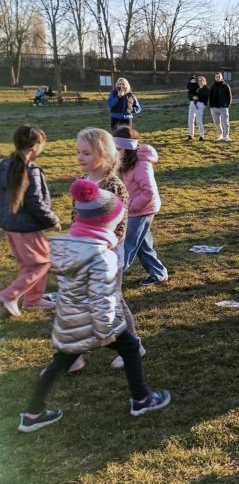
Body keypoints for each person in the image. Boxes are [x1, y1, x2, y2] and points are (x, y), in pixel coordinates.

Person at [17, 180, 170, 433]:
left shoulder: (66, 245)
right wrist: (105, 331)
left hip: (69, 319)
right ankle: (141, 399)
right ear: (108, 223)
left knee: (58, 364)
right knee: (131, 347)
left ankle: (32, 413)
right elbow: (101, 298)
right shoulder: (103, 256)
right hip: (96, 321)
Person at [73, 128, 145, 372]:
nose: (80, 157)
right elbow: (75, 217)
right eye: (78, 152)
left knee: (113, 301)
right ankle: (72, 354)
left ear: (104, 155)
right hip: (85, 254)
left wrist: (102, 246)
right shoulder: (81, 182)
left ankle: (133, 345)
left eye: (87, 153)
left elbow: (120, 225)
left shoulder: (114, 186)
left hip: (108, 256)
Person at [0, 125, 60, 317]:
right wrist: (52, 220)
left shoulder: (4, 165)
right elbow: (36, 203)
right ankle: (9, 295)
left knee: (30, 265)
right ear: (35, 145)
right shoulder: (30, 170)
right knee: (42, 263)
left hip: (11, 226)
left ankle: (33, 300)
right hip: (27, 226)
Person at [113, 127, 169, 287]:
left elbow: (149, 192)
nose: (115, 152)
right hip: (135, 209)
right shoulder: (128, 162)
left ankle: (113, 281)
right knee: (143, 246)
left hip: (142, 211)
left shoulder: (141, 166)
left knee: (126, 246)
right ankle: (158, 273)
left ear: (128, 149)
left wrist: (130, 206)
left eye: (118, 149)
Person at [209, 71, 233, 142]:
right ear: (215, 78)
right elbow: (210, 97)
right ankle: (220, 135)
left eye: (219, 76)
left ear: (221, 77)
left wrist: (227, 105)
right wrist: (211, 106)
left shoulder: (225, 86)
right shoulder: (212, 87)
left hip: (223, 107)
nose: (218, 78)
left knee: (225, 122)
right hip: (214, 108)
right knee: (217, 122)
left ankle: (226, 136)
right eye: (216, 77)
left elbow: (229, 96)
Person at [187, 75, 208, 141]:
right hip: (192, 104)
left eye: (201, 80)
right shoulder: (196, 87)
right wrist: (192, 97)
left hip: (200, 105)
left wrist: (198, 98)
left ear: (204, 81)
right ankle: (191, 135)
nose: (200, 81)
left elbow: (205, 98)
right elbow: (189, 94)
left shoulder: (206, 89)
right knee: (190, 120)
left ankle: (202, 136)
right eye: (199, 80)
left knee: (199, 121)